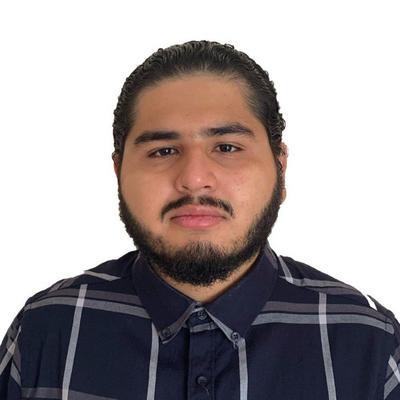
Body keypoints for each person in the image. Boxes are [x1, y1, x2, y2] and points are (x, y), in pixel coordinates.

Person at [1, 40, 399, 400]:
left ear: (280, 168)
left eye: (227, 147)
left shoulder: (370, 342)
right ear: (119, 171)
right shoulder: (45, 328)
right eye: (162, 151)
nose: (193, 179)